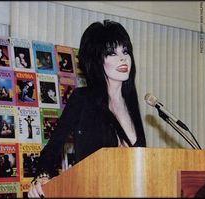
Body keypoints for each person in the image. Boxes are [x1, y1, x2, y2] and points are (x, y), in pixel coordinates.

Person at [28, 20, 146, 198]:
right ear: (97, 61)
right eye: (112, 53)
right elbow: (51, 150)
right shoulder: (82, 99)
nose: (123, 58)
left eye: (125, 51)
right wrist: (42, 176)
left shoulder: (131, 103)